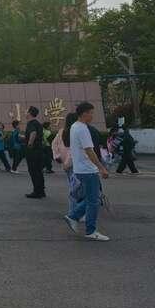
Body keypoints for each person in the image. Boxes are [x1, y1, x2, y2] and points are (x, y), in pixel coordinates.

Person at [62, 102, 110, 241]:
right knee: (94, 201)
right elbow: (89, 150)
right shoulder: (83, 129)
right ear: (84, 113)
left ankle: (73, 216)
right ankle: (90, 230)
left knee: (91, 198)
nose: (92, 116)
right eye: (91, 113)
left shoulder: (74, 126)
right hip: (88, 170)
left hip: (80, 169)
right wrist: (101, 168)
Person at [53, 112, 79, 216]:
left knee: (73, 188)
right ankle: (75, 213)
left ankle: (73, 212)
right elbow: (74, 150)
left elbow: (54, 144)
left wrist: (57, 156)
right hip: (76, 164)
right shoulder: (76, 132)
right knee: (77, 189)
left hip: (66, 163)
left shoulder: (61, 131)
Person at [24, 106, 46, 199]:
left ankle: (37, 192)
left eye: (26, 111)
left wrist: (29, 144)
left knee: (33, 171)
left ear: (30, 113)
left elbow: (33, 133)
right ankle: (41, 191)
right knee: (38, 171)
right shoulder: (38, 123)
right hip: (39, 150)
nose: (25, 113)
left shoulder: (31, 123)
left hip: (33, 151)